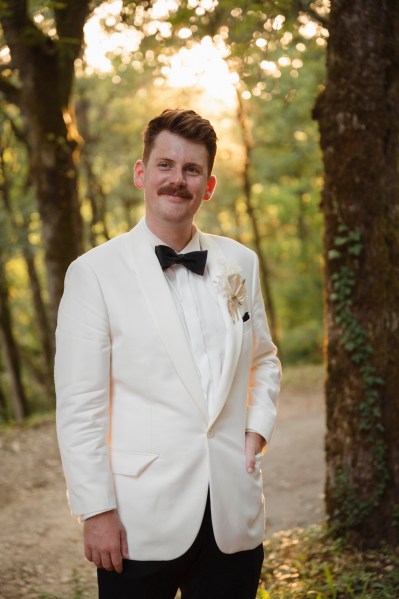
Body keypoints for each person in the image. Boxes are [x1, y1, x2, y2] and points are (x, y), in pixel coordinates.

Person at [55, 108, 281, 599]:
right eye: (165, 165)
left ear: (209, 184)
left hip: (232, 516)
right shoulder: (93, 274)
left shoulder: (240, 263)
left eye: (191, 169)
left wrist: (256, 431)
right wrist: (95, 511)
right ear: (142, 173)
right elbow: (80, 407)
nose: (177, 180)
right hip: (139, 522)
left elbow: (264, 358)